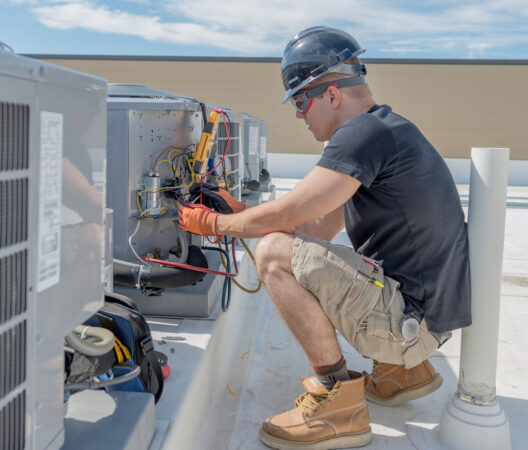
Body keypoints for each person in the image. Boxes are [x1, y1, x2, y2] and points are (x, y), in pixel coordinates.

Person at [179, 26, 471, 450]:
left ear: (332, 94)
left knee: (274, 254)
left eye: (300, 100)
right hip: (427, 319)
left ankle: (337, 400)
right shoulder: (387, 131)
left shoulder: (360, 134)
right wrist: (243, 213)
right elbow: (314, 227)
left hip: (410, 324)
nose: (299, 114)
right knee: (292, 245)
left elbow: (290, 215)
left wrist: (212, 224)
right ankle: (403, 372)